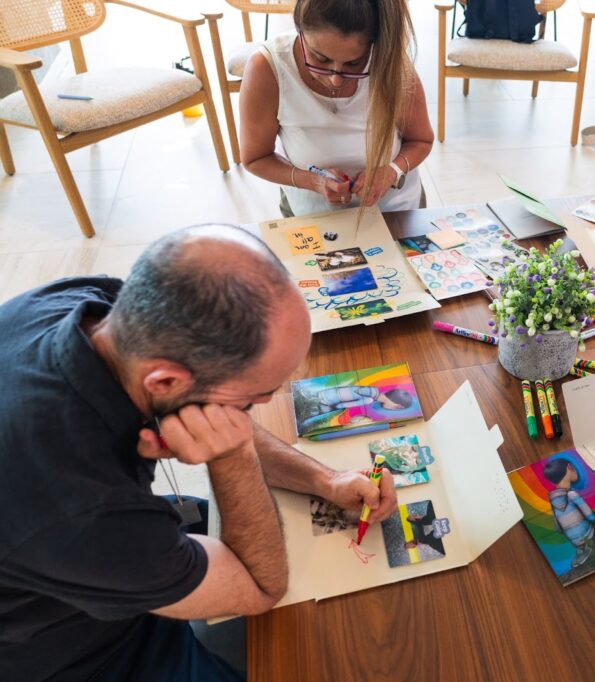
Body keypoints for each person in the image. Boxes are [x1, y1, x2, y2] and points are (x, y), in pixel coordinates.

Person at [0, 225, 398, 681]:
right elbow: (260, 586)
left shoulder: (89, 307)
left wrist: (325, 480)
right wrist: (233, 456)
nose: (258, 411)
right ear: (165, 382)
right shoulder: (88, 510)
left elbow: (214, 416)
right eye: (251, 399)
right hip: (75, 654)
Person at [240, 0, 434, 218]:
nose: (335, 80)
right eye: (320, 58)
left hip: (395, 210)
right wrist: (313, 182)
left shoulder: (390, 64)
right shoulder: (267, 68)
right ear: (299, 30)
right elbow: (255, 158)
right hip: (311, 216)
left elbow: (421, 140)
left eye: (354, 64)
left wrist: (392, 171)